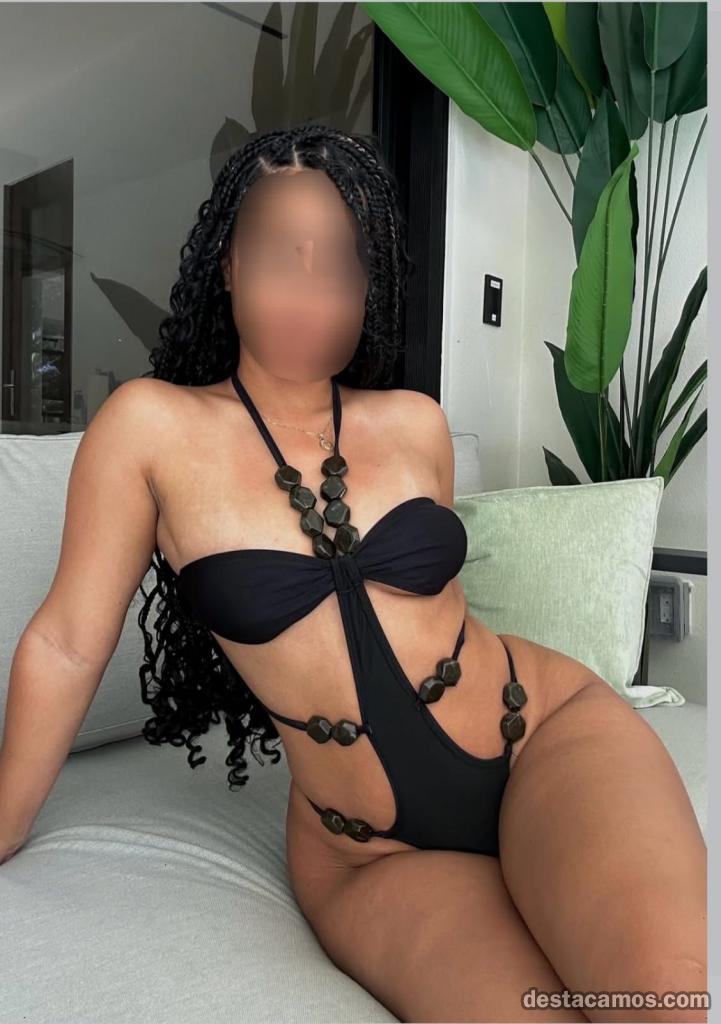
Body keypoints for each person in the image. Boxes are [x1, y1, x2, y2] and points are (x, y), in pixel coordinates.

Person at [0, 124, 706, 1023]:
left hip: (544, 738)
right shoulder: (149, 429)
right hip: (365, 852)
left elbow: (439, 613)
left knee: (658, 1000)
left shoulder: (413, 422)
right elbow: (66, 644)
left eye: (342, 264)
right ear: (228, 264)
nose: (313, 292)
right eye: (282, 257)